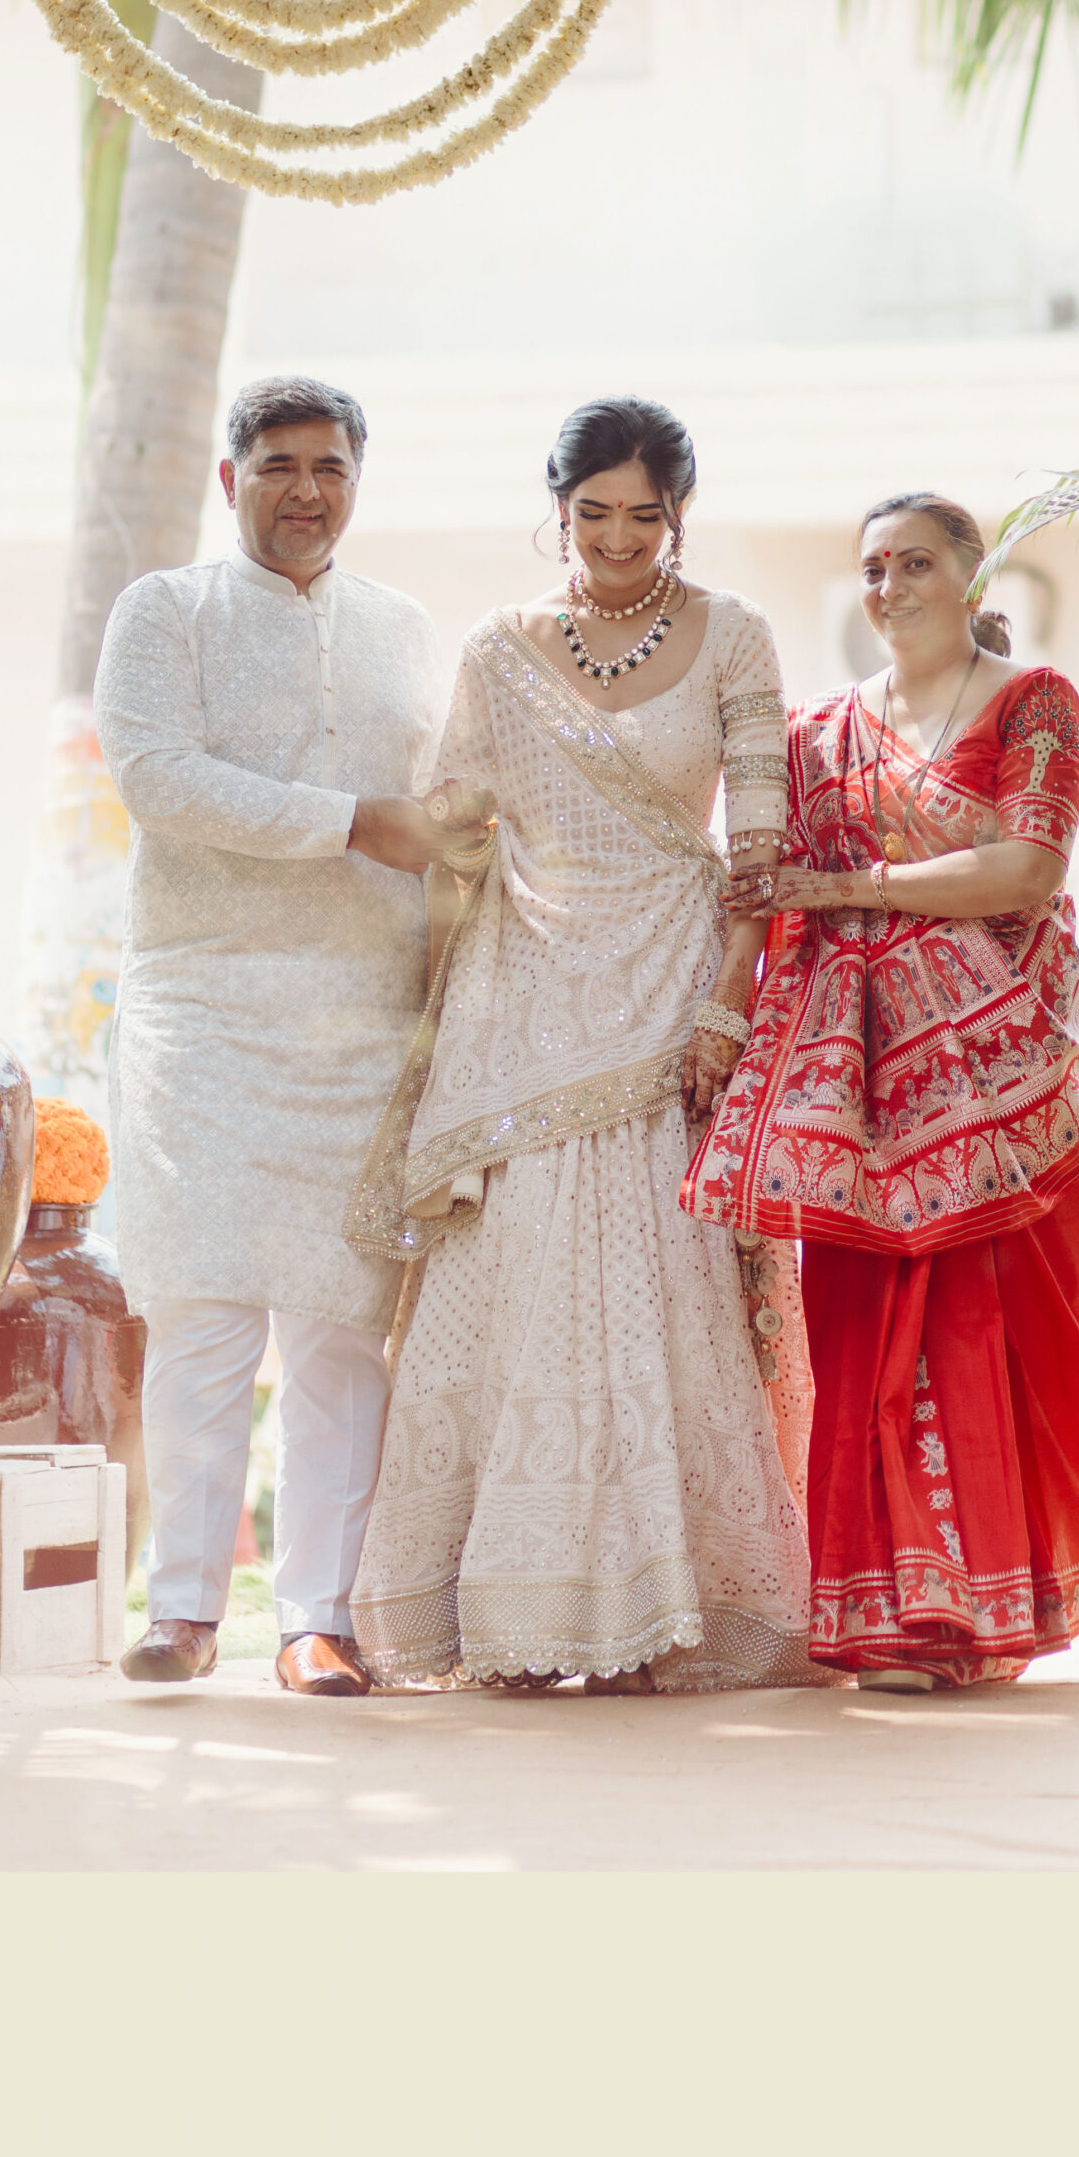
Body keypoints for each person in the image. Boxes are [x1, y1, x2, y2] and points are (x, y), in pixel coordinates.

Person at [345, 398, 818, 1692]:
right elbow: (456, 813)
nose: (616, 540)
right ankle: (513, 1618)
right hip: (527, 1005)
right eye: (593, 513)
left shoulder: (734, 634)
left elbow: (760, 850)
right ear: (556, 510)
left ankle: (660, 1617)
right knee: (519, 1284)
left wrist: (728, 1005)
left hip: (672, 987)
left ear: (679, 514)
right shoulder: (500, 651)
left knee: (662, 1290)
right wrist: (340, 823)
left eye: (643, 517)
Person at [685, 493, 1079, 1690]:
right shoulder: (819, 733)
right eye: (872, 568)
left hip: (1000, 1079)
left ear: (970, 577)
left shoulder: (1033, 703)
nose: (888, 587)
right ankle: (882, 1616)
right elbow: (764, 890)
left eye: (913, 564)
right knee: (859, 1323)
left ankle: (974, 1616)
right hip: (857, 1089)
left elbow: (1027, 865)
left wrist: (858, 888)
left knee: (981, 1322)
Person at [92, 374, 451, 1697]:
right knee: (202, 1310)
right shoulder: (165, 611)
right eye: (280, 466)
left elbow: (440, 802)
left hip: (364, 1013)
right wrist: (353, 822)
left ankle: (318, 1619)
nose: (307, 492)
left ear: (358, 480)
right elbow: (158, 778)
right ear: (228, 477)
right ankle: (184, 1607)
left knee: (342, 1324)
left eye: (330, 468)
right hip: (206, 1003)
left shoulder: (405, 628)